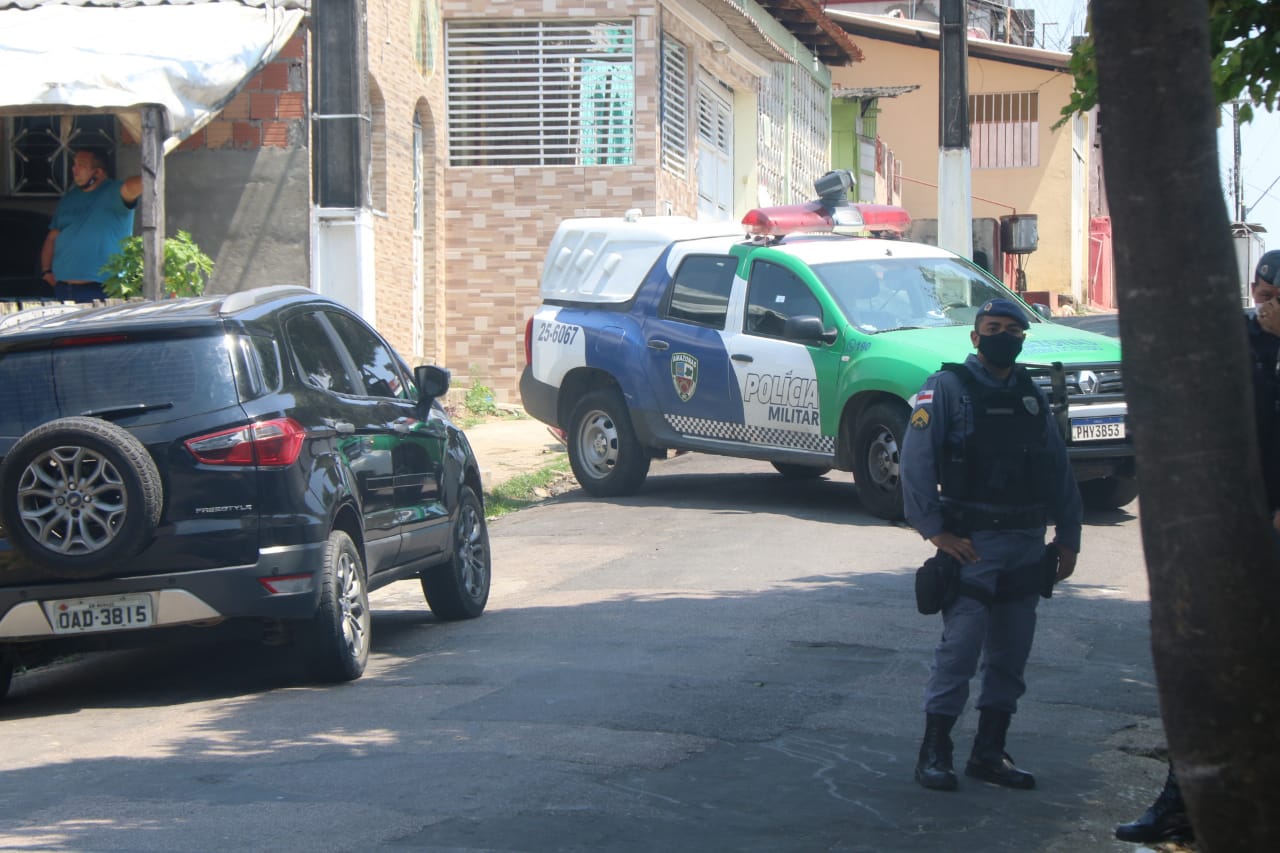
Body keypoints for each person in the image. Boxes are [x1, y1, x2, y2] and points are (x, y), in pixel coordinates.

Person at [1113, 249, 1280, 844]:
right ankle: (1180, 801)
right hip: (1229, 533)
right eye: (1266, 292)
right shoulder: (1234, 345)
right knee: (1207, 673)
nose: (1269, 305)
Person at [901, 297, 1082, 792]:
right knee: (959, 652)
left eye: (1012, 329)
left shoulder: (1031, 394)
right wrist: (934, 529)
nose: (1003, 335)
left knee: (1010, 657)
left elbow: (1057, 467)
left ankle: (989, 752)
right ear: (975, 336)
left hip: (1027, 542)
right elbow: (916, 463)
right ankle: (934, 751)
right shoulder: (945, 390)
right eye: (992, 327)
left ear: (1023, 338)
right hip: (973, 544)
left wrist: (1069, 535)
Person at [39, 149, 142, 303]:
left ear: (98, 172)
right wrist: (46, 271)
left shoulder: (115, 191)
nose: (75, 169)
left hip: (102, 288)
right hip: (63, 287)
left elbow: (138, 185)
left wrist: (151, 172)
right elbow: (53, 237)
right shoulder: (69, 198)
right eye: (74, 165)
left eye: (81, 165)